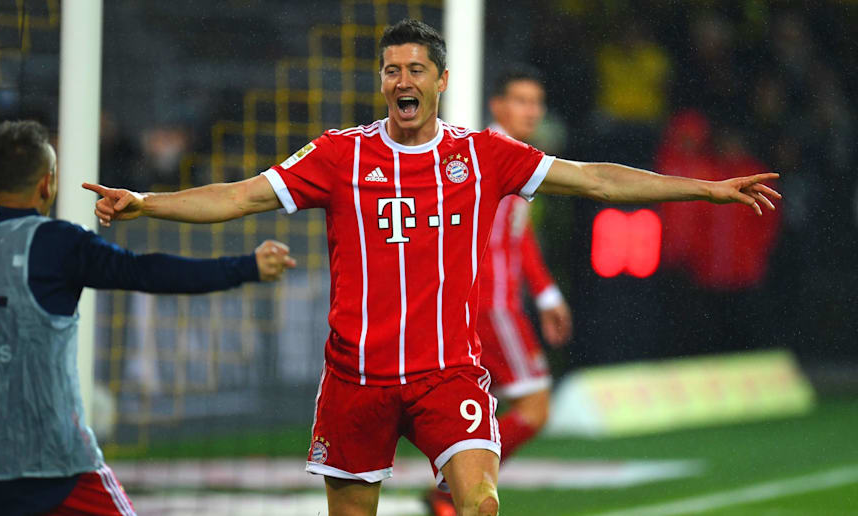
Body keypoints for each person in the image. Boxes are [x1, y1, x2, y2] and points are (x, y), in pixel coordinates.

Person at [83, 19, 779, 516]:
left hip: (447, 372)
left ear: (442, 80)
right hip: (356, 377)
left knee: (479, 503)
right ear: (382, 81)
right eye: (392, 70)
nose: (402, 81)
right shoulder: (340, 155)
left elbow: (596, 179)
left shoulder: (482, 155)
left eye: (416, 69)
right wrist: (147, 202)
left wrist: (706, 190)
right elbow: (240, 196)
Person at [0, 120, 296, 516]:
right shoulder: (57, 244)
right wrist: (246, 267)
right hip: (50, 469)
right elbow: (149, 273)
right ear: (47, 184)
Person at [424, 65, 572, 516]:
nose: (532, 111)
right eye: (521, 101)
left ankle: (452, 491)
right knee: (535, 406)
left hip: (486, 306)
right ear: (497, 105)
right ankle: (450, 490)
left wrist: (546, 294)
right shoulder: (489, 155)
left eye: (537, 102)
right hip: (492, 307)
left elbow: (517, 235)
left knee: (477, 407)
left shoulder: (511, 155)